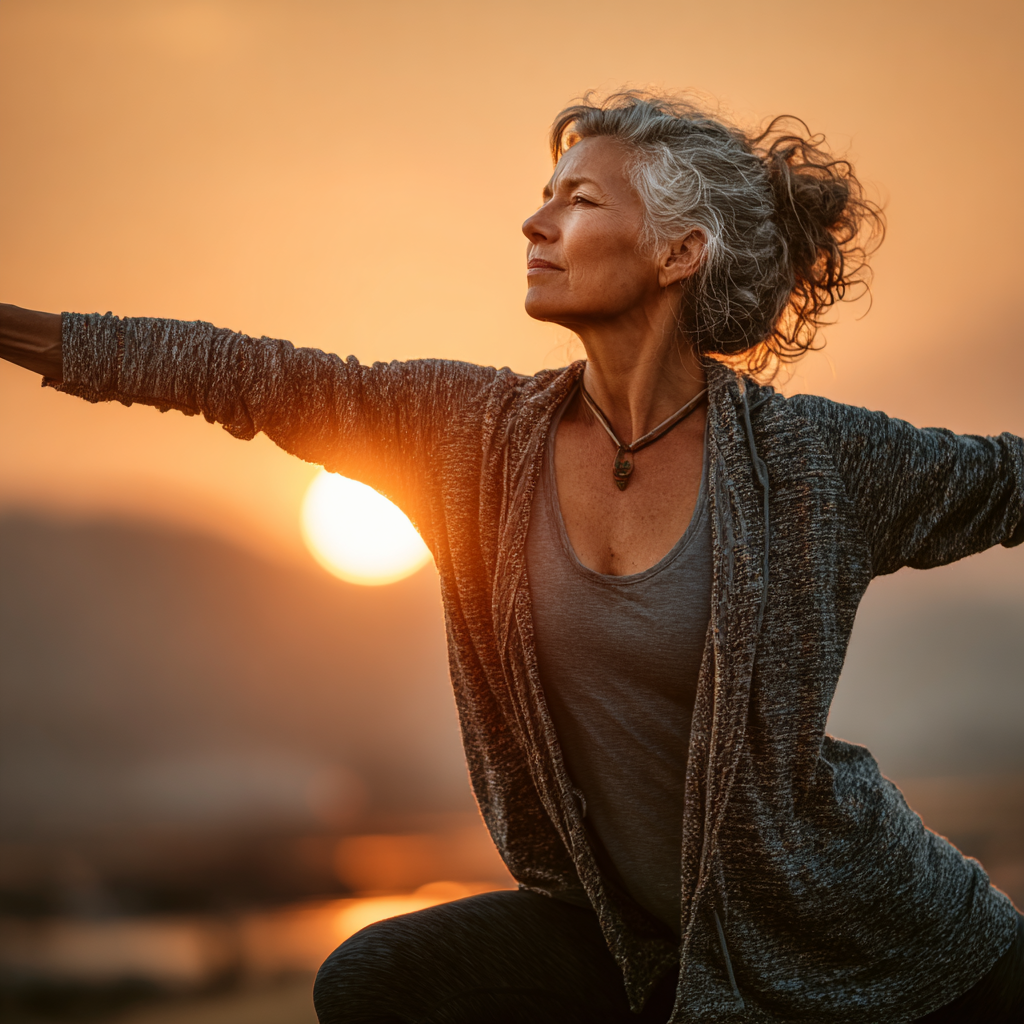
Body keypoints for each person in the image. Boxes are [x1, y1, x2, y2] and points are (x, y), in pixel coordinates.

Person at [2, 92, 1022, 1024]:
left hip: (876, 940)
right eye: (542, 199)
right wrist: (52, 341)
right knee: (375, 981)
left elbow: (1010, 481)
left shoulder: (815, 461)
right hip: (638, 946)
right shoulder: (473, 437)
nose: (534, 225)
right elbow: (261, 378)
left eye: (577, 200)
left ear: (677, 253)